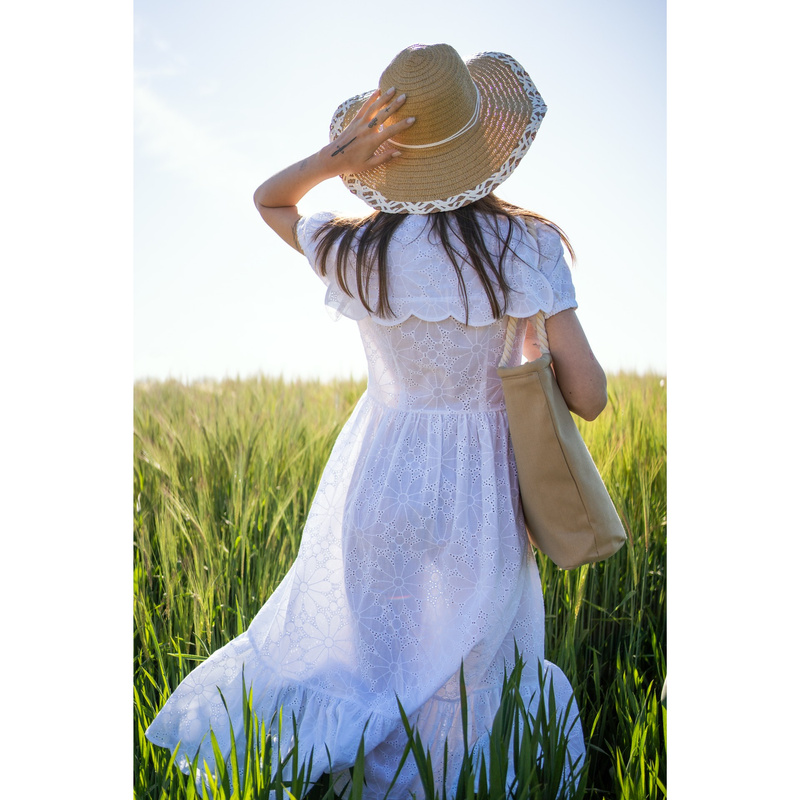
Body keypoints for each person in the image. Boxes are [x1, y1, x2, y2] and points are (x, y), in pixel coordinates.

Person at [146, 43, 607, 798]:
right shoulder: (528, 245)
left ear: (392, 156)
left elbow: (271, 200)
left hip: (381, 479)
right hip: (482, 498)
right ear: (480, 143)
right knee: (471, 685)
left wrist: (340, 157)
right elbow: (588, 396)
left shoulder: (355, 247)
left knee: (379, 673)